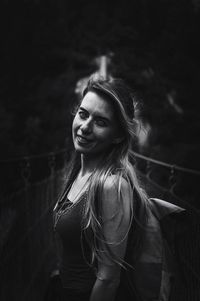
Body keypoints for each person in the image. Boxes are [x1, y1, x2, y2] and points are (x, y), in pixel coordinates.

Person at [52, 76, 175, 301]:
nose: (85, 127)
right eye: (83, 114)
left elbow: (108, 279)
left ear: (118, 135)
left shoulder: (112, 186)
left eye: (100, 122)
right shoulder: (78, 170)